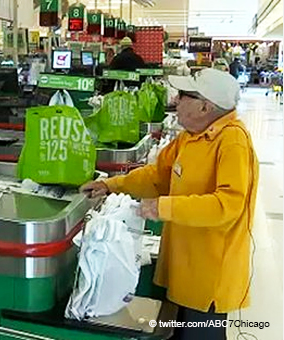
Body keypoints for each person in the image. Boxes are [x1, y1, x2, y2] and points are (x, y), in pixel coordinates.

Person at [80, 68, 258, 340]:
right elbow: (158, 176)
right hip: (183, 263)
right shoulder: (190, 136)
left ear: (204, 106)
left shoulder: (232, 141)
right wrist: (111, 185)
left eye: (184, 95)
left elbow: (228, 204)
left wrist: (164, 208)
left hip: (208, 274)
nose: (175, 100)